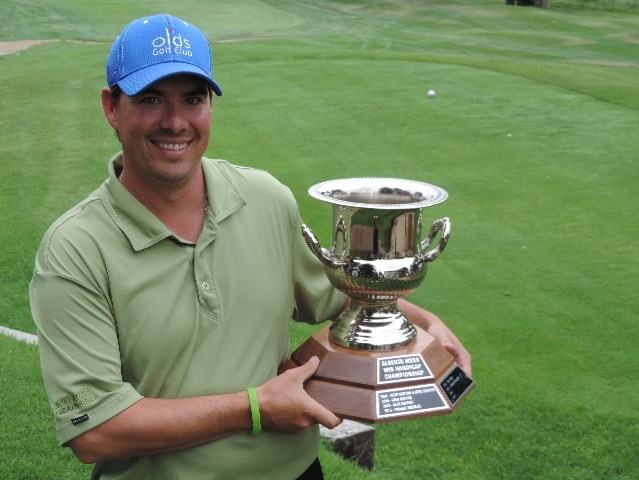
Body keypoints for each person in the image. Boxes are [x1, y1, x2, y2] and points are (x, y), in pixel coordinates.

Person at [29, 13, 472, 480]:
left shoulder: (264, 199)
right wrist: (255, 408)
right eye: (151, 99)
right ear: (111, 106)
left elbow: (348, 291)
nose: (176, 121)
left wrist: (423, 325)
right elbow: (95, 431)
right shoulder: (74, 249)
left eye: (193, 99)